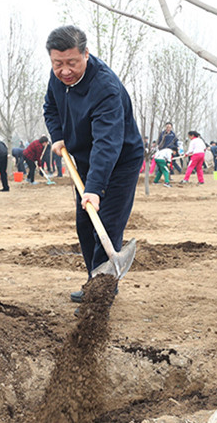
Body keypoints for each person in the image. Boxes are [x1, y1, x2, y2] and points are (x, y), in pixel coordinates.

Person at [43, 25, 144, 304]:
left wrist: (96, 188)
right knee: (85, 226)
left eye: (72, 63)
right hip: (85, 161)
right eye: (57, 64)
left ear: (86, 54)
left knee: (107, 224)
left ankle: (100, 296)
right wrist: (59, 137)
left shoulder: (105, 88)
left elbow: (108, 142)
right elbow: (50, 108)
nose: (65, 71)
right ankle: (95, 282)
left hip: (120, 161)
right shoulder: (58, 80)